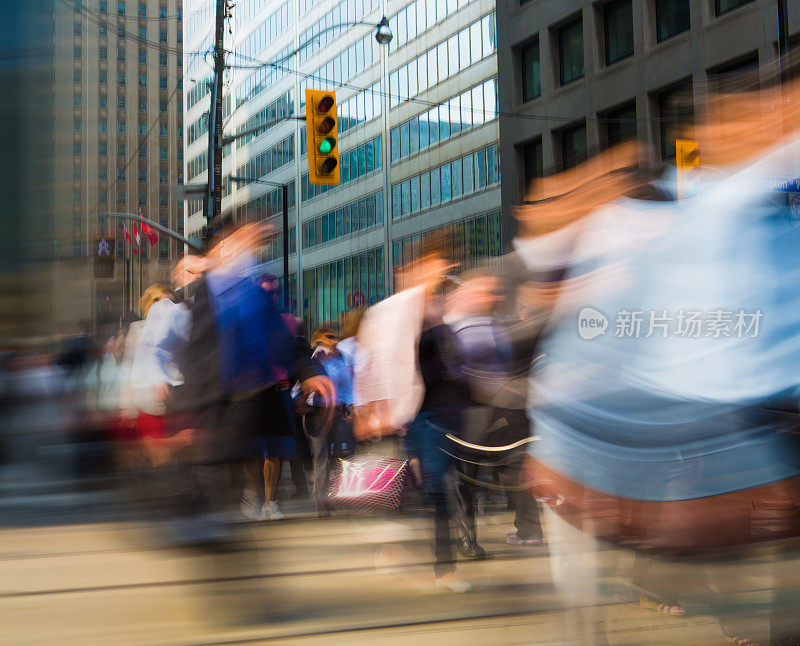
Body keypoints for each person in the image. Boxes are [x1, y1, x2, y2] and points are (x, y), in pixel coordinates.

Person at [445, 269, 543, 552]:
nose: (493, 296)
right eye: (486, 291)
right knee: (483, 477)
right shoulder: (487, 329)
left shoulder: (486, 329)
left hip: (484, 418)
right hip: (486, 417)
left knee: (469, 479)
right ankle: (480, 537)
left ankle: (469, 539)